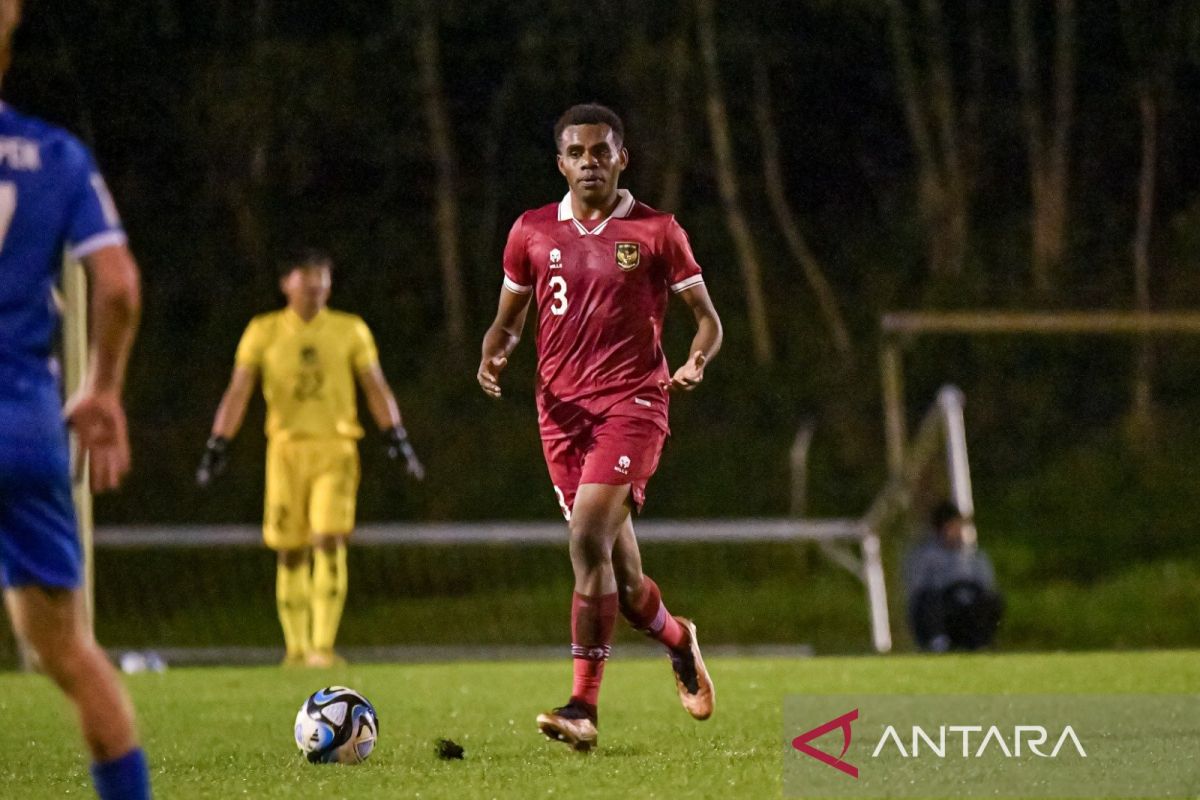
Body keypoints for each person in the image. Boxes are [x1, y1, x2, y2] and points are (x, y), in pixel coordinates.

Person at [477, 103, 723, 752]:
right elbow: (509, 317)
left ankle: (582, 708)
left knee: (587, 538)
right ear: (560, 164)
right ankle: (678, 637)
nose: (590, 162)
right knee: (627, 578)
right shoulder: (530, 232)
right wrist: (495, 348)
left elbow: (707, 318)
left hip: (634, 404)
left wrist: (697, 358)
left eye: (601, 151)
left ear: (622, 158)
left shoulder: (657, 231)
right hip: (559, 416)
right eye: (577, 153)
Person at [0, 3, 152, 797]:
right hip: (25, 422)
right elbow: (119, 284)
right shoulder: (53, 155)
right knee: (67, 652)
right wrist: (101, 390)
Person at [197, 249, 424, 668]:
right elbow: (238, 390)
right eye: (308, 277)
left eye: (323, 278)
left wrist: (396, 435)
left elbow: (375, 386)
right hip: (285, 451)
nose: (317, 286)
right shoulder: (262, 332)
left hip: (335, 449)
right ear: (287, 283)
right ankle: (296, 650)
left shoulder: (349, 330)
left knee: (329, 538)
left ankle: (322, 648)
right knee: (290, 550)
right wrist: (218, 442)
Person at [905, 502, 1004, 652]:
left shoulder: (975, 556)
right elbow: (917, 589)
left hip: (968, 609)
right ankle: (938, 642)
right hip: (943, 610)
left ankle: (980, 642)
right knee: (930, 601)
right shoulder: (924, 556)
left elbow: (986, 584)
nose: (956, 531)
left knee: (991, 600)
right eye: (951, 527)